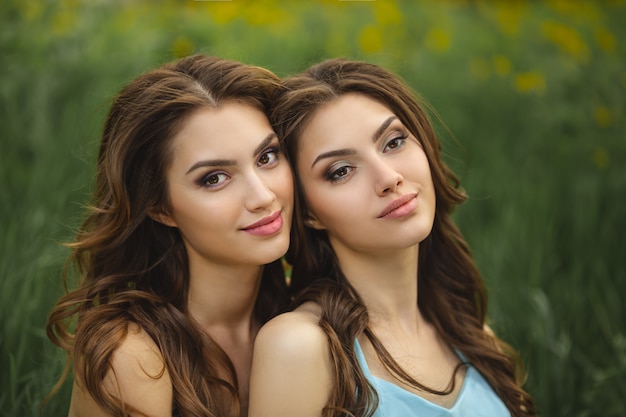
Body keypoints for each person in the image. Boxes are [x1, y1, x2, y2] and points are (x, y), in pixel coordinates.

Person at [248, 58, 535, 417]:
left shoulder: (471, 332)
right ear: (308, 212)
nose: (388, 177)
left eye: (394, 141)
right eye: (341, 171)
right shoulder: (300, 346)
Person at [45, 54, 293, 417]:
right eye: (214, 178)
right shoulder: (134, 354)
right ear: (160, 208)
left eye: (267, 157)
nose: (263, 196)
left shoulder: (303, 307)